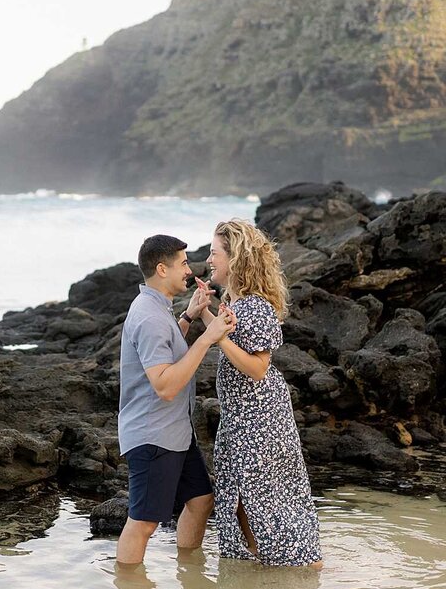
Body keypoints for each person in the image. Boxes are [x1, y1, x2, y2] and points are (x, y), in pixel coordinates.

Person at [200, 218, 322, 568]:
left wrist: (219, 336)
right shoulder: (236, 304)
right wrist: (206, 313)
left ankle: (303, 565)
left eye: (214, 253)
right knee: (243, 499)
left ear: (235, 259)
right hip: (242, 419)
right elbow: (226, 337)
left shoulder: (255, 306)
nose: (210, 260)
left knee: (266, 499)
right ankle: (262, 563)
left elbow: (258, 368)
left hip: (260, 421)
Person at [116, 234, 237, 565]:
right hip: (154, 436)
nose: (189, 270)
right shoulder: (150, 317)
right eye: (183, 263)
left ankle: (189, 575)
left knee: (200, 500)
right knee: (143, 523)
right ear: (161, 268)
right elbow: (165, 385)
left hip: (175, 433)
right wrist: (209, 337)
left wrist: (188, 318)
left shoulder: (158, 309)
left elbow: (164, 355)